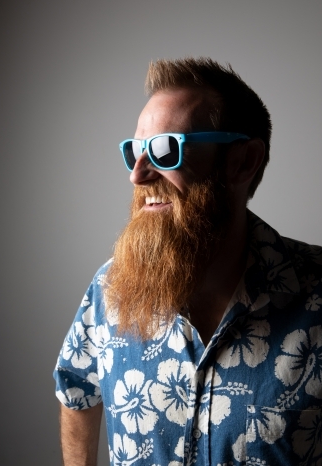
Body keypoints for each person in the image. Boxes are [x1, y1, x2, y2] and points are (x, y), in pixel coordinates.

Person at [54, 58, 322, 466]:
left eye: (165, 150)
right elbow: (76, 390)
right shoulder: (110, 289)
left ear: (243, 162)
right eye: (135, 151)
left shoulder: (316, 294)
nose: (138, 175)